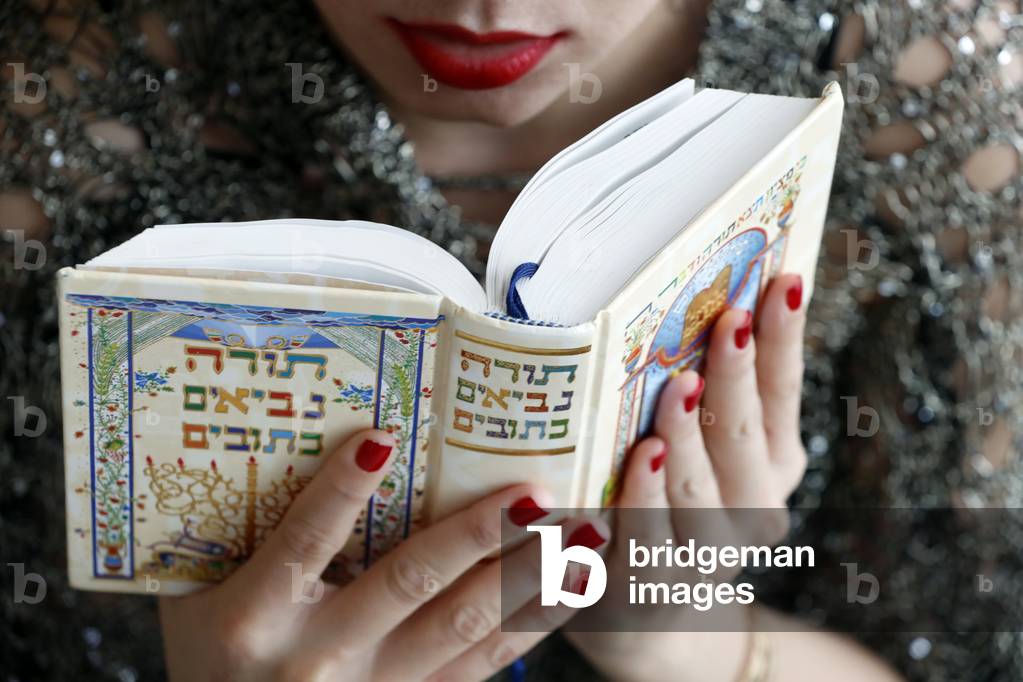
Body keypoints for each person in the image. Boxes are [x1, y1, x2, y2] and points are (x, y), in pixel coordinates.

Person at [1, 1, 1019, 680]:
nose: (484, 5)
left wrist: (697, 642)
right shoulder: (66, 106)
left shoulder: (925, 93)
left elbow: (963, 647)